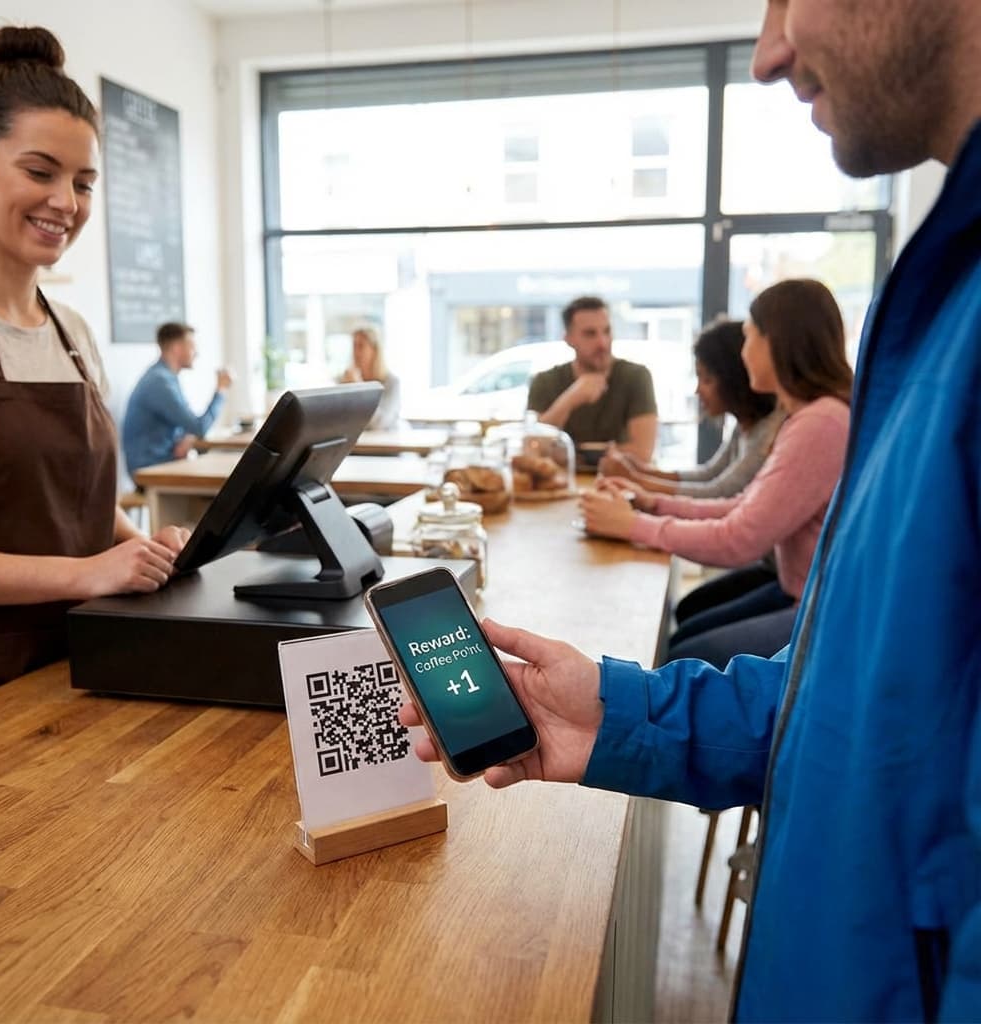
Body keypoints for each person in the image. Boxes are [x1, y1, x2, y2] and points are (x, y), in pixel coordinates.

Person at [401, 0, 981, 1018]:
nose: (767, 51)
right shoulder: (940, 295)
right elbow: (866, 703)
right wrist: (618, 714)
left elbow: (740, 526)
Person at [0, 26, 189, 704]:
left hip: (83, 679)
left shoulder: (74, 334)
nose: (66, 202)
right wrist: (86, 576)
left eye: (84, 182)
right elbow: (78, 561)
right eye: (40, 172)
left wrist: (143, 549)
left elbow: (78, 508)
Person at [584, 279, 851, 667]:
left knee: (687, 659)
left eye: (748, 337)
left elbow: (740, 539)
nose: (743, 354)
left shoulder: (821, 424)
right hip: (803, 589)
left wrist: (632, 525)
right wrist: (653, 503)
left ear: (775, 342)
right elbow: (743, 504)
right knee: (687, 630)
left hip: (823, 606)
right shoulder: (809, 418)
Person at [599, 318, 783, 499]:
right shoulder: (744, 424)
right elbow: (710, 473)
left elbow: (721, 492)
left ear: (734, 379)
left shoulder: (768, 430)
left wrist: (636, 479)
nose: (697, 391)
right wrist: (643, 471)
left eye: (706, 380)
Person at [526, 296, 658, 461]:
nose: (602, 343)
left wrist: (570, 454)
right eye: (590, 334)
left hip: (621, 482)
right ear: (568, 339)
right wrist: (571, 398)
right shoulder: (545, 381)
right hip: (563, 483)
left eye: (607, 331)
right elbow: (532, 448)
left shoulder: (636, 377)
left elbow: (642, 452)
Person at [122, 321, 232, 475]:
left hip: (161, 461)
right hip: (150, 469)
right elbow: (199, 427)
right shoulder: (160, 382)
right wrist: (221, 390)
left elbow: (187, 427)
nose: (197, 352)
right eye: (192, 346)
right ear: (177, 348)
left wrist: (188, 437)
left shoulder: (163, 377)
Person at [339, 324, 400, 430]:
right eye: (354, 346)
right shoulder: (345, 380)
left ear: (374, 350)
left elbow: (380, 423)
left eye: (361, 346)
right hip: (360, 442)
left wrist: (358, 388)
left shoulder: (392, 382)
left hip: (387, 442)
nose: (356, 352)